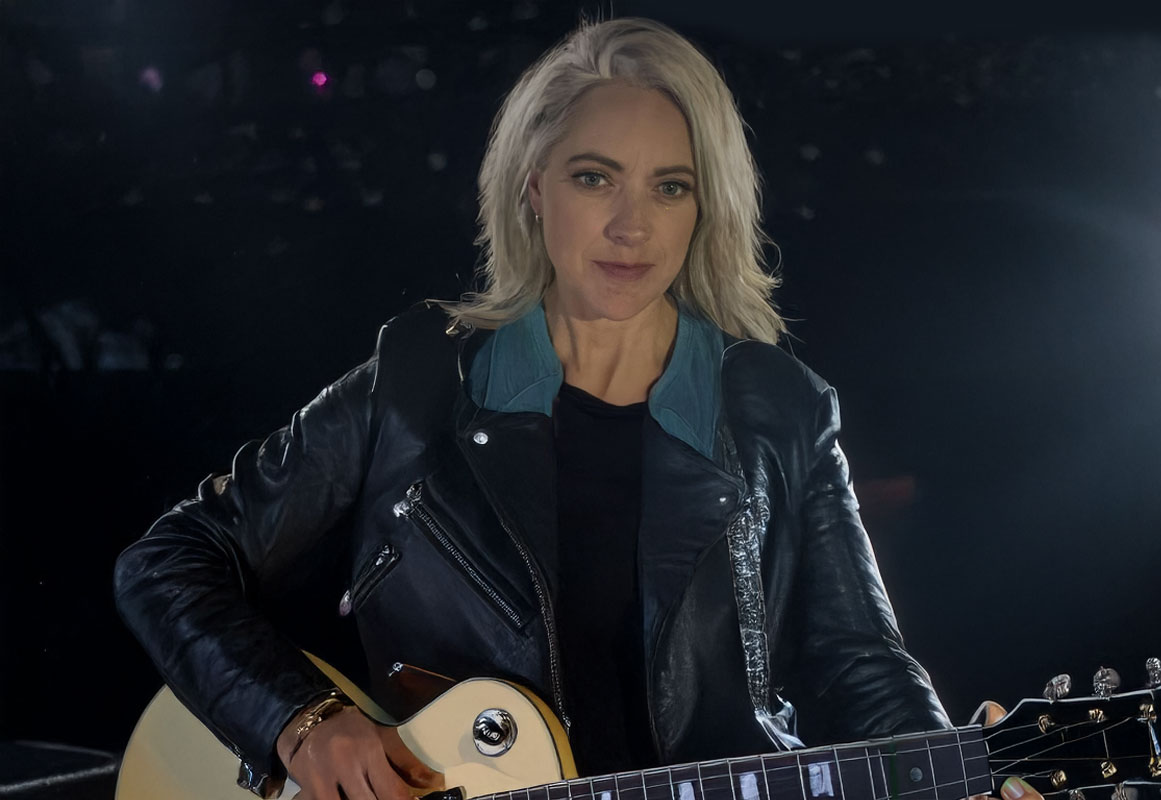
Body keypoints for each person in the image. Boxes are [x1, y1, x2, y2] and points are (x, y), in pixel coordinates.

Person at [114, 16, 1041, 800]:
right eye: (595, 177)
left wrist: (955, 774)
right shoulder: (419, 380)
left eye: (670, 187)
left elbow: (860, 665)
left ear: (704, 208)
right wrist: (301, 722)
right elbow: (168, 562)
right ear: (533, 187)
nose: (632, 226)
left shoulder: (781, 410)